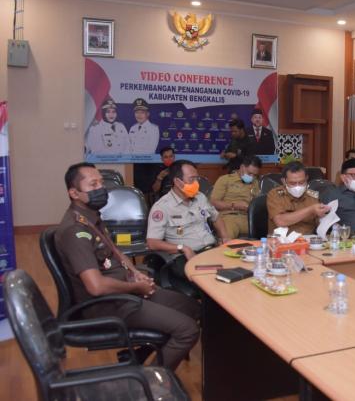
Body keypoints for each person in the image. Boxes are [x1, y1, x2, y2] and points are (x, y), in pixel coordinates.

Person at [55, 162, 199, 371]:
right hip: (110, 305)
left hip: (126, 292)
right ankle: (152, 382)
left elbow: (115, 251)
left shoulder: (91, 218)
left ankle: (138, 355)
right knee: (188, 330)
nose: (101, 188)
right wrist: (136, 287)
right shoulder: (76, 231)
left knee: (193, 308)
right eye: (93, 184)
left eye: (101, 183)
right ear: (74, 193)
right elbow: (96, 286)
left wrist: (135, 273)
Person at [147, 160, 231, 280]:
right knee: (214, 278)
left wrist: (225, 236)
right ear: (177, 182)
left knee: (237, 268)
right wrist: (182, 248)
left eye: (197, 178)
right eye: (192, 179)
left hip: (210, 250)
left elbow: (216, 217)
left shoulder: (200, 197)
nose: (196, 183)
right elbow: (152, 243)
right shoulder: (162, 207)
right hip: (185, 256)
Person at [267, 161, 330, 235]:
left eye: (301, 182)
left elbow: (319, 223)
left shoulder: (313, 196)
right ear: (284, 181)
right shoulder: (275, 194)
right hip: (282, 239)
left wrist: (326, 218)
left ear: (306, 178)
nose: (297, 186)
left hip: (308, 239)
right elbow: (280, 221)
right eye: (292, 183)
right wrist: (311, 210)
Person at [210, 155, 262, 238]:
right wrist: (234, 205)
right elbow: (213, 203)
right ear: (242, 167)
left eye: (255, 175)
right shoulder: (225, 180)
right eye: (249, 173)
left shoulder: (255, 182)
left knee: (267, 231)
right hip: (229, 216)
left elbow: (257, 203)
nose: (252, 177)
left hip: (248, 217)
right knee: (227, 237)